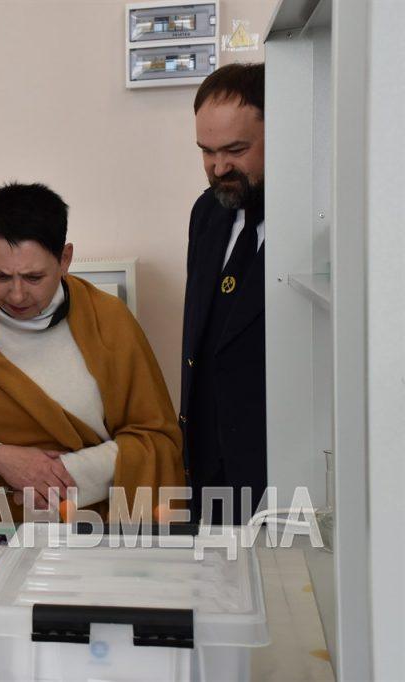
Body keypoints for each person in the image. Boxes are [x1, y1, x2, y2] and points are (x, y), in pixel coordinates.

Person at [0, 182, 184, 529]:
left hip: (86, 528)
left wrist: (59, 475)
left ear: (65, 259)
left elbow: (154, 440)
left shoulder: (110, 321)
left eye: (33, 277)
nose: (17, 294)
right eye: (0, 276)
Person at [181, 63, 266, 523]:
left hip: (280, 477)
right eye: (206, 152)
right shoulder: (206, 213)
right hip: (208, 475)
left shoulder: (320, 224)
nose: (219, 168)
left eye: (236, 150)